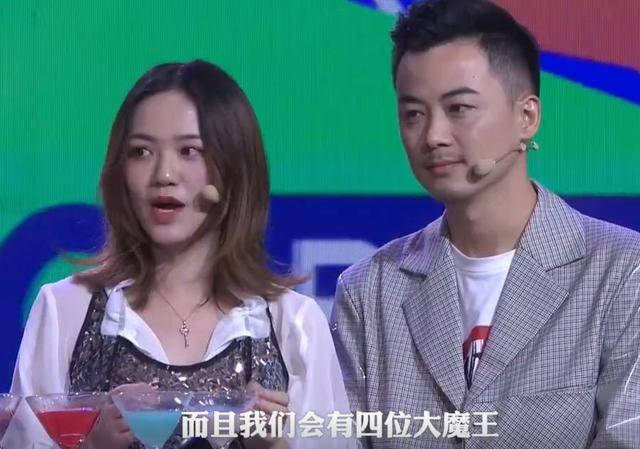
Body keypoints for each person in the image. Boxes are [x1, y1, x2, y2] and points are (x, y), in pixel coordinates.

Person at [331, 0, 640, 447]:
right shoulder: (369, 291)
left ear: (526, 117)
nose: (433, 136)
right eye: (413, 114)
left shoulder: (621, 272)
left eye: (459, 108)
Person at [7, 60, 351, 449]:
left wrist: (275, 446)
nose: (164, 175)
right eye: (141, 152)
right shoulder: (64, 310)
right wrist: (92, 445)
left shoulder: (296, 323)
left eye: (190, 151)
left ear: (235, 170)